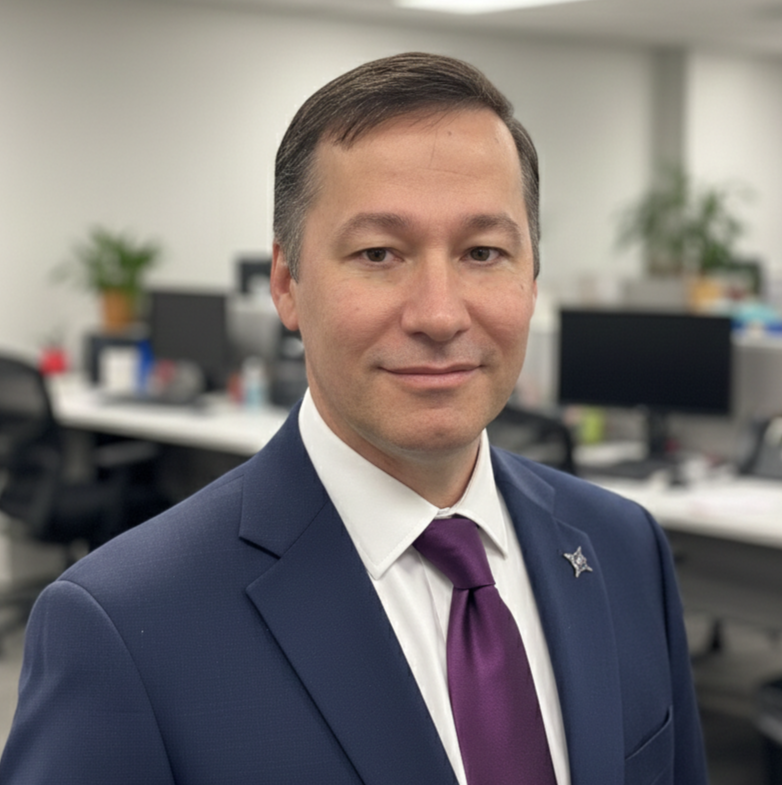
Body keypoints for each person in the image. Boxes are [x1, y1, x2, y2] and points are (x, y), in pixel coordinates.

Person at [0, 53, 707, 785]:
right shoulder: (122, 626)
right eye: (378, 253)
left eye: (483, 252)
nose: (439, 314)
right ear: (287, 283)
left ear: (531, 277)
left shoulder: (624, 547)